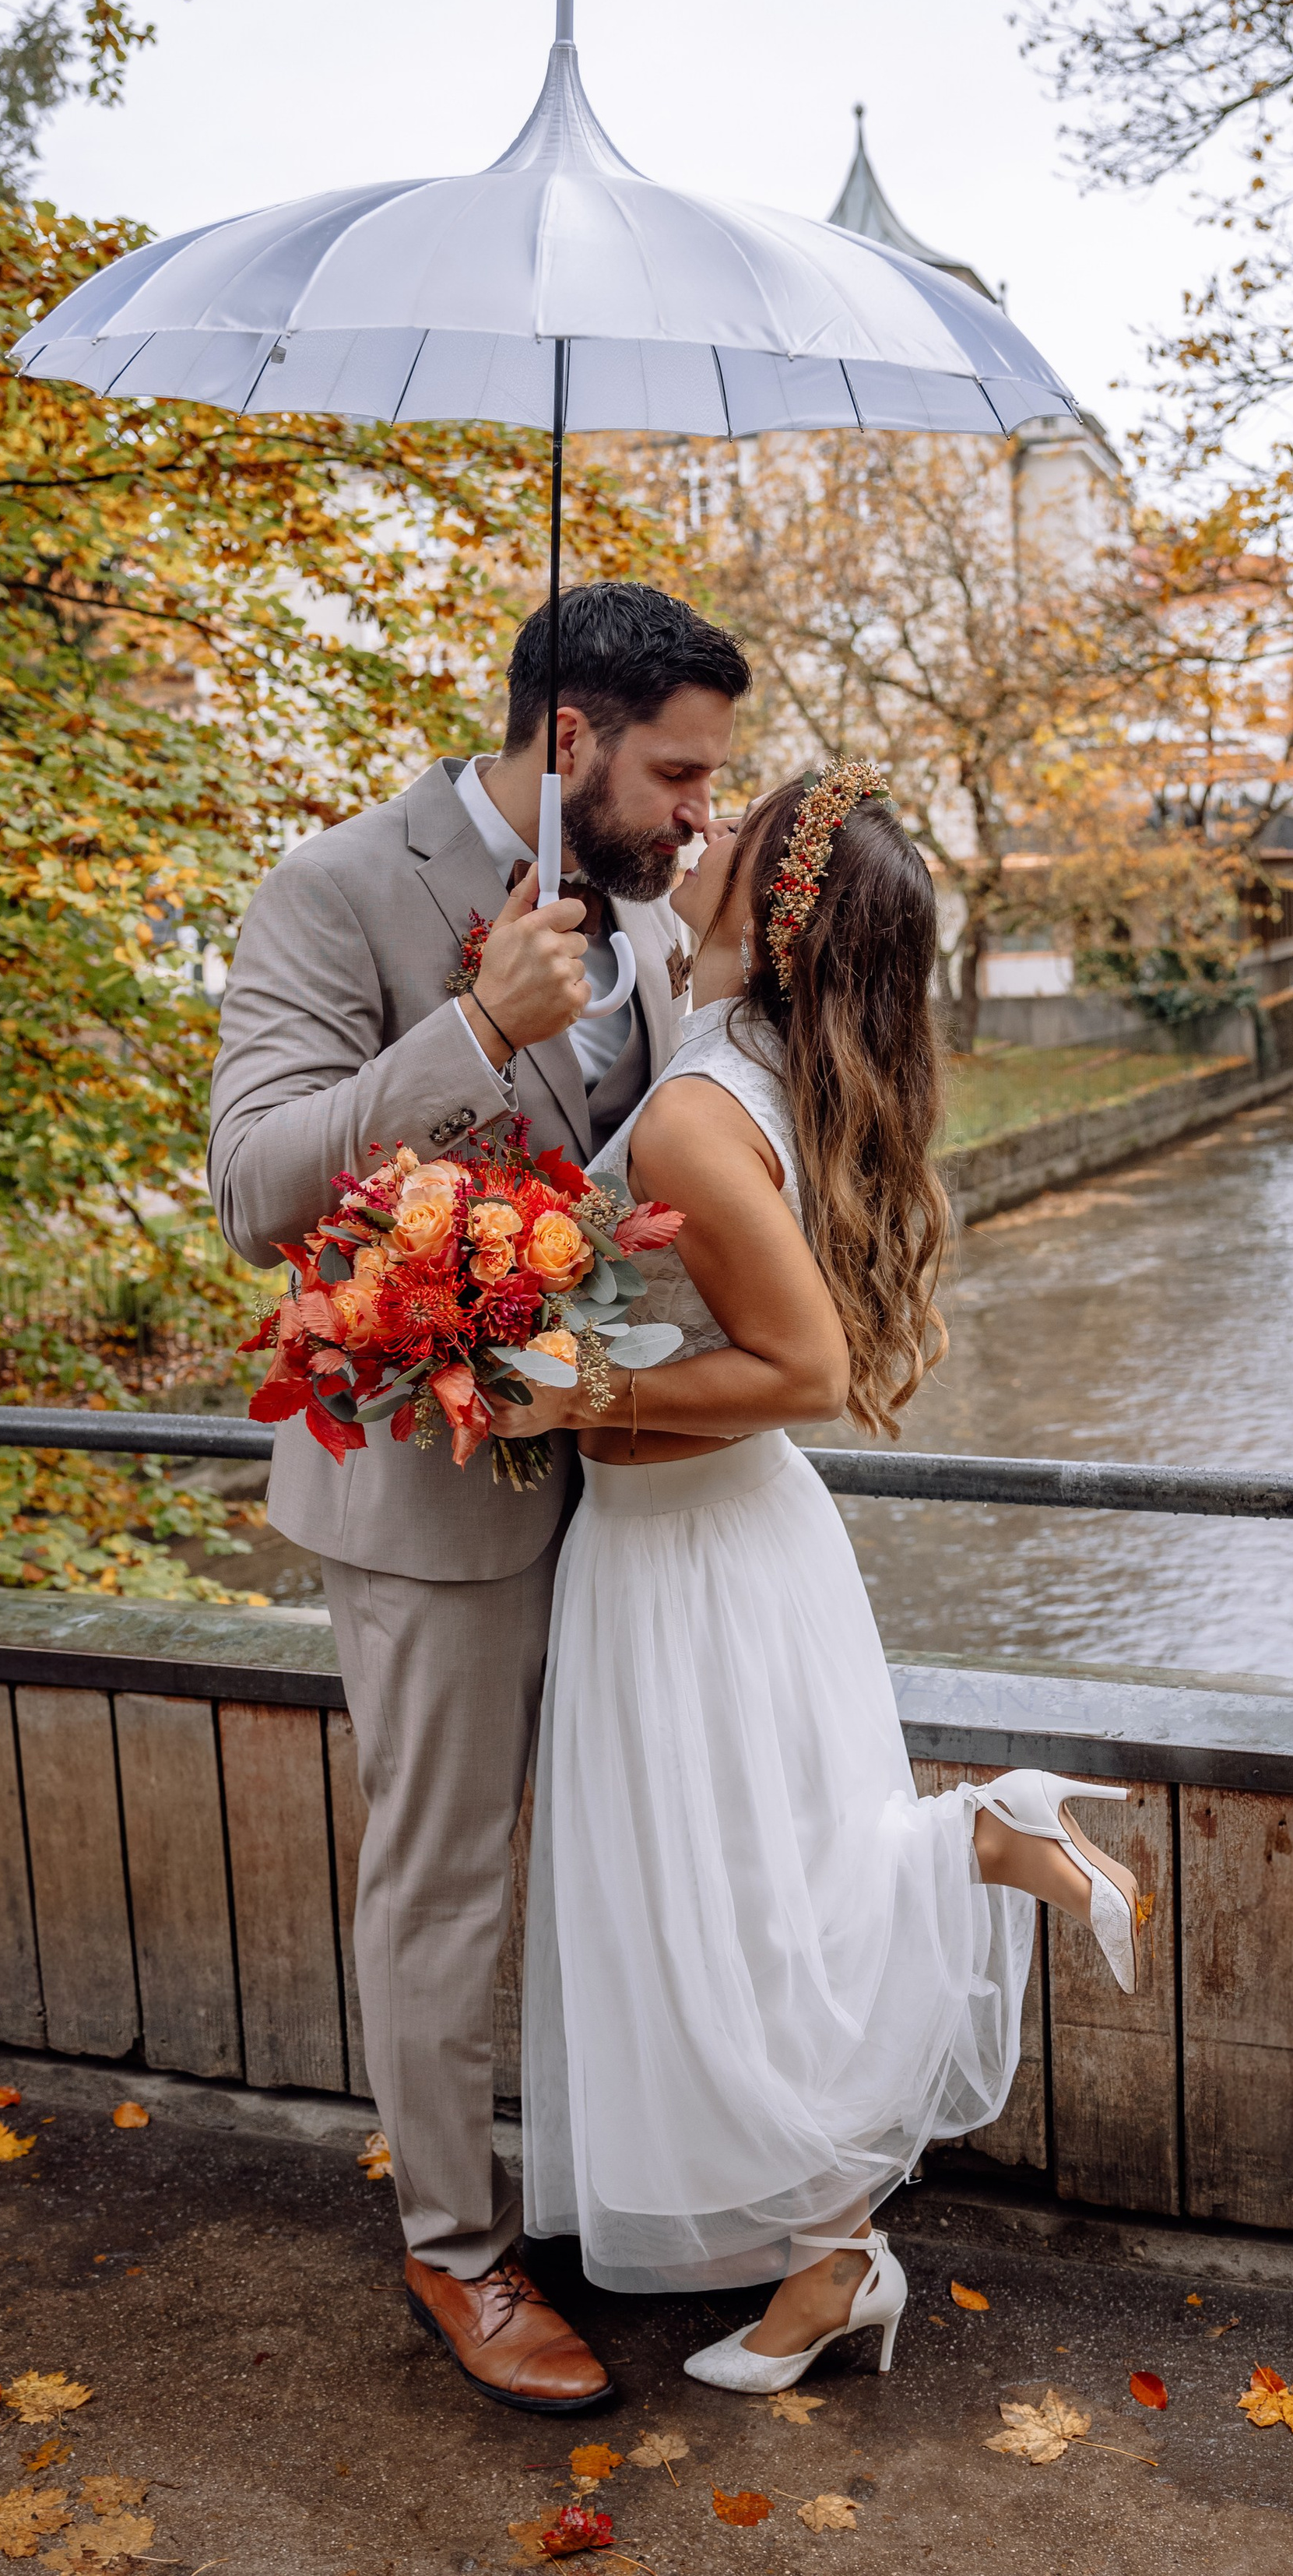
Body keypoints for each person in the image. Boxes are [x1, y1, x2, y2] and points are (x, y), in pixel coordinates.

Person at [493, 762, 1145, 2391]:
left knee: (739, 1918)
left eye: (731, 835)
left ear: (774, 913)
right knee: (753, 1913)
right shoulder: (750, 1062)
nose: (691, 837)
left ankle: (984, 1832)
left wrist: (580, 1392)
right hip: (725, 1542)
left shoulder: (707, 1110)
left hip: (689, 1557)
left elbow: (804, 1366)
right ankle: (831, 2264)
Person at [206, 581, 750, 2417]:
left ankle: (640, 2183)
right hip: (429, 1496)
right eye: (678, 770)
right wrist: (463, 1031)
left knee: (642, 1844)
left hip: (642, 1475)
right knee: (442, 1882)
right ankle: (457, 2245)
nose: (699, 809)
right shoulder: (333, 888)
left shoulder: (671, 920)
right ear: (569, 741)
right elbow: (254, 1186)